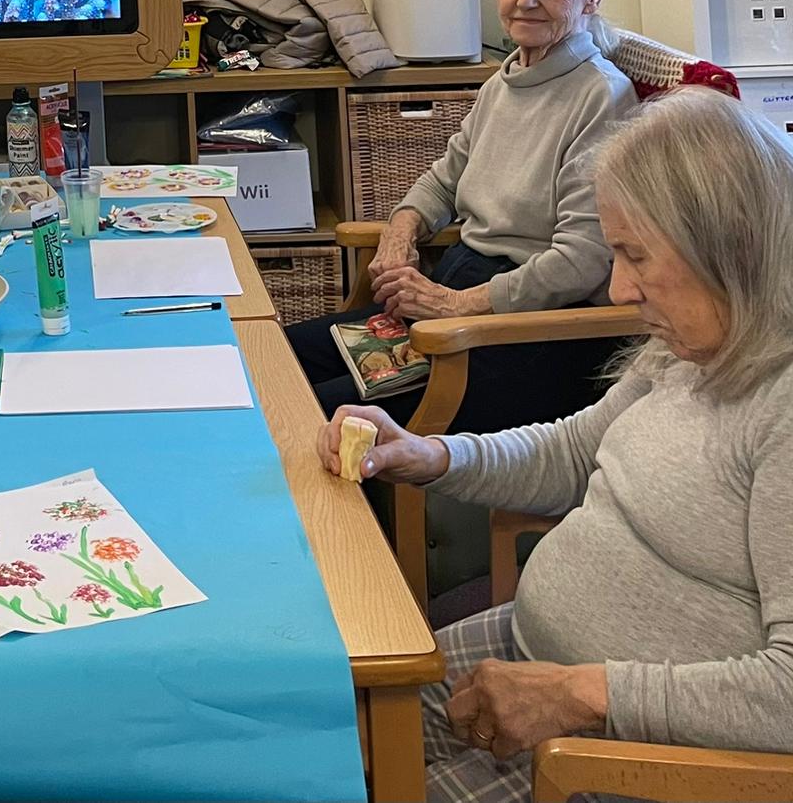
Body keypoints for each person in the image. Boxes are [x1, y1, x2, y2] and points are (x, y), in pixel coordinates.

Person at [319, 87, 793, 801]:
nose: (619, 289)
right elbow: (574, 453)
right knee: (312, 733)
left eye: (636, 256)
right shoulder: (695, 344)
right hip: (535, 657)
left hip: (628, 753)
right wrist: (431, 455)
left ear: (731, 248)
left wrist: (580, 694)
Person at [288, 0, 639, 433]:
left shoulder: (601, 97)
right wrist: (400, 233)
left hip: (528, 332)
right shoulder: (505, 80)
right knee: (277, 359)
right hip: (456, 300)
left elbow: (580, 262)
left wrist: (456, 304)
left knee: (305, 412)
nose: (526, 0)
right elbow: (444, 179)